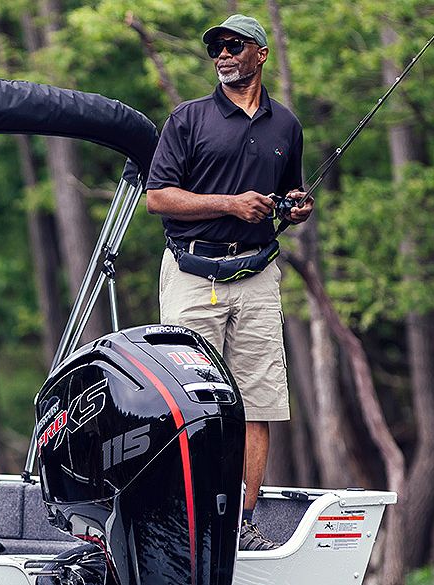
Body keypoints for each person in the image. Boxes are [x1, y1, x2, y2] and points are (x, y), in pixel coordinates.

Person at [142, 14, 314, 550]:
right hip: (193, 276)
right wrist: (229, 204)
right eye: (216, 46)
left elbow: (287, 195)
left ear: (260, 54)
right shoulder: (188, 120)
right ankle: (184, 517)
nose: (222, 54)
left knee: (257, 403)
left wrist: (297, 207)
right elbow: (158, 197)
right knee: (186, 404)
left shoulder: (286, 126)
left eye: (234, 45)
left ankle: (241, 520)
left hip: (258, 276)